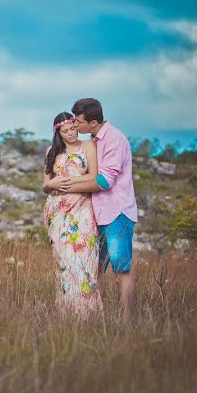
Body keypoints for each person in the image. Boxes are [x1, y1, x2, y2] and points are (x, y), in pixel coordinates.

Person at [56, 98, 138, 319]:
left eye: (78, 121)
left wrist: (67, 185)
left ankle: (127, 321)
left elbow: (104, 181)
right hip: (94, 215)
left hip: (117, 214)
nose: (75, 125)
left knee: (121, 269)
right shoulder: (92, 141)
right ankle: (96, 316)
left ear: (92, 122)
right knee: (94, 269)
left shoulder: (114, 139)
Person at [42, 112, 103, 316]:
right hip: (57, 210)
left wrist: (66, 183)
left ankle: (87, 312)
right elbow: (45, 185)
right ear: (58, 132)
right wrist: (52, 183)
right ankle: (67, 311)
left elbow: (94, 176)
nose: (71, 134)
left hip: (82, 207)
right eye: (65, 131)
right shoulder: (52, 151)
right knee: (65, 261)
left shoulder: (87, 146)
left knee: (84, 258)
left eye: (73, 129)